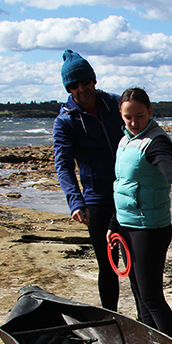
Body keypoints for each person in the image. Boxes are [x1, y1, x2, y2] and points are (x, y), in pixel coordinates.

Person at [108, 87, 172, 340]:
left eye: (139, 116)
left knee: (151, 296)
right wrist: (113, 223)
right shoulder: (125, 141)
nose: (133, 122)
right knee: (137, 290)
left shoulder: (155, 142)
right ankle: (151, 341)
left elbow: (171, 167)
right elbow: (121, 186)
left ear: (150, 111)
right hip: (126, 226)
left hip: (150, 229)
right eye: (128, 117)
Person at [53, 50, 124, 311]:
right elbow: (63, 166)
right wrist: (75, 201)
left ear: (93, 79)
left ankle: (147, 321)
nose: (81, 88)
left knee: (138, 261)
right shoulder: (65, 121)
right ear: (68, 89)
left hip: (129, 193)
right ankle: (111, 319)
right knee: (107, 265)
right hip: (97, 200)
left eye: (85, 81)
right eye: (73, 85)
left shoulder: (115, 105)